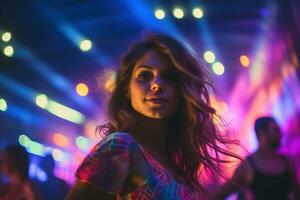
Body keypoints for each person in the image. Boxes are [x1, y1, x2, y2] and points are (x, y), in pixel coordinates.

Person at [65, 33, 239, 200]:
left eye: (170, 77)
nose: (156, 85)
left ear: (182, 89)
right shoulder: (120, 147)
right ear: (127, 89)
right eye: (144, 76)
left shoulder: (175, 164)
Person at [210, 116, 300, 200]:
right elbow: (221, 193)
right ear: (262, 133)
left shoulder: (287, 162)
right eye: (275, 130)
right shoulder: (248, 166)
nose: (281, 134)